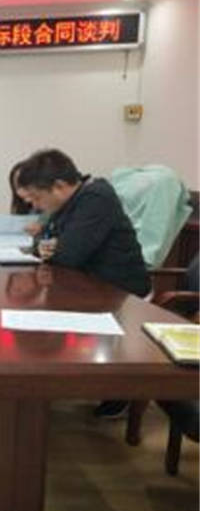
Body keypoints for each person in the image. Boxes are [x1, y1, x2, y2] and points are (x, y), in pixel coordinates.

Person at [16, 148, 151, 420]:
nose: (36, 207)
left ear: (59, 186)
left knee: (42, 325)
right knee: (35, 320)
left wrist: (53, 247)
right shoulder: (70, 203)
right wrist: (48, 245)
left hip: (122, 295)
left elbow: (69, 255)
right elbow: (43, 242)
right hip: (89, 286)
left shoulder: (95, 198)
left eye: (37, 198)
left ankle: (121, 390)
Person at [8, 159, 45, 236]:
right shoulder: (22, 206)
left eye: (26, 186)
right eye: (18, 187)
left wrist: (43, 229)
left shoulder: (51, 206)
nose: (22, 191)